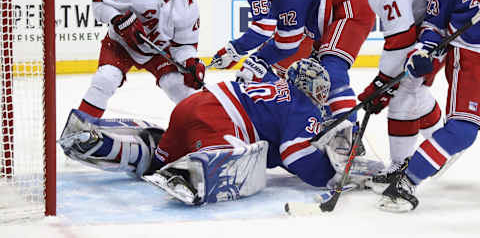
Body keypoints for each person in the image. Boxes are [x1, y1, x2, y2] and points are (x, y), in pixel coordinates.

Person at [59, 58, 384, 205]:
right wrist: (331, 173)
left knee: (154, 163)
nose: (322, 99)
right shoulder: (304, 106)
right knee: (240, 164)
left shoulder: (276, 85)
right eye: (321, 92)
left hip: (193, 107)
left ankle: (103, 144)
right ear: (312, 88)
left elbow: (279, 146)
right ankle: (193, 170)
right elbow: (294, 154)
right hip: (218, 123)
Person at [326, 0, 444, 189]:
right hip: (430, 13)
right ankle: (443, 143)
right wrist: (383, 84)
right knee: (411, 89)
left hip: (438, 23)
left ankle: (400, 166)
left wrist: (381, 85)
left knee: (404, 92)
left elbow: (400, 42)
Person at [377, 0, 480, 212]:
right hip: (471, 59)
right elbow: (434, 25)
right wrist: (424, 51)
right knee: (462, 131)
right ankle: (405, 181)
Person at [232, 0, 376, 129]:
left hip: (348, 8)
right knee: (311, 79)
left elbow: (288, 44)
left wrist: (258, 59)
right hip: (328, 20)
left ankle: (349, 132)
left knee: (332, 72)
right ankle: (328, 124)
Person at [76, 0, 204, 118]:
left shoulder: (188, 3)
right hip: (122, 45)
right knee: (106, 78)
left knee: (177, 86)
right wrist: (117, 20)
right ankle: (81, 130)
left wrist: (190, 63)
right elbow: (99, 3)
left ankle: (202, 133)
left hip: (158, 52)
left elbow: (184, 45)